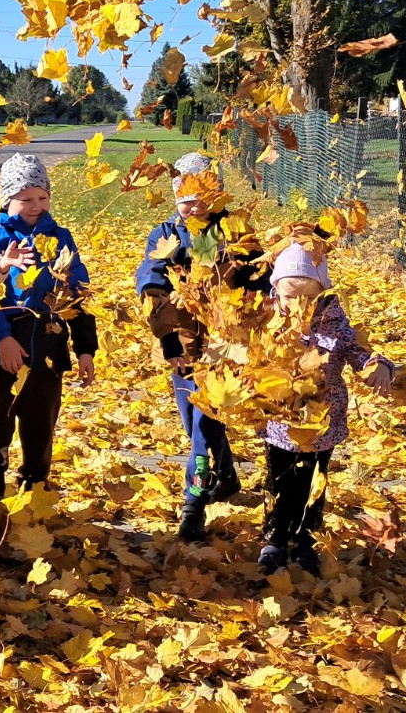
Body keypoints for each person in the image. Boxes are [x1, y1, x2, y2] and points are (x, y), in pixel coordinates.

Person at [134, 152, 270, 541]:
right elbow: (152, 283)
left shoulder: (235, 230)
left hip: (228, 342)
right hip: (183, 343)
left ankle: (193, 503)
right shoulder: (166, 235)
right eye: (186, 198)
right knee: (192, 420)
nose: (195, 206)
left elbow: (261, 277)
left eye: (204, 197)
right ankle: (226, 476)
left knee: (204, 425)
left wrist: (259, 309)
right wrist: (169, 338)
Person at [256, 244, 393, 576]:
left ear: (323, 293)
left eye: (309, 297)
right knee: (280, 480)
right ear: (276, 290)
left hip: (322, 422)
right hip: (280, 421)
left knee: (314, 483)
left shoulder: (334, 323)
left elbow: (358, 351)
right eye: (291, 297)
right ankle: (275, 538)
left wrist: (379, 365)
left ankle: (307, 539)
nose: (300, 306)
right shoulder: (265, 319)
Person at [0, 153, 97, 503]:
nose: (35, 205)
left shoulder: (60, 238)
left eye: (42, 197)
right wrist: (1, 338)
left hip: (47, 351)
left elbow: (77, 295)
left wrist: (85, 348)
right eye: (25, 198)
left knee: (41, 430)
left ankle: (34, 495)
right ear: (7, 198)